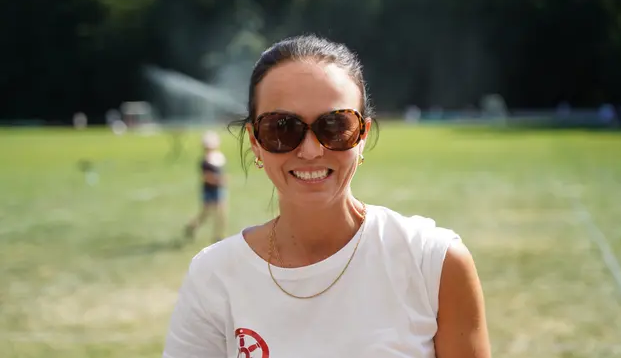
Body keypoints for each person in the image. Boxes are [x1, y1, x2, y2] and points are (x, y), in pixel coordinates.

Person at [164, 35, 491, 358]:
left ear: (362, 135)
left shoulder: (433, 263)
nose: (310, 151)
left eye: (335, 126)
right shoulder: (213, 277)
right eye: (282, 128)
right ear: (254, 141)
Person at [184, 131, 228, 244]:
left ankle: (218, 236)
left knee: (221, 213)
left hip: (218, 189)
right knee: (205, 214)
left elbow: (222, 173)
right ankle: (192, 226)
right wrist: (218, 180)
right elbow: (206, 177)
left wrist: (223, 179)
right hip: (209, 190)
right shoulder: (205, 161)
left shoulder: (219, 158)